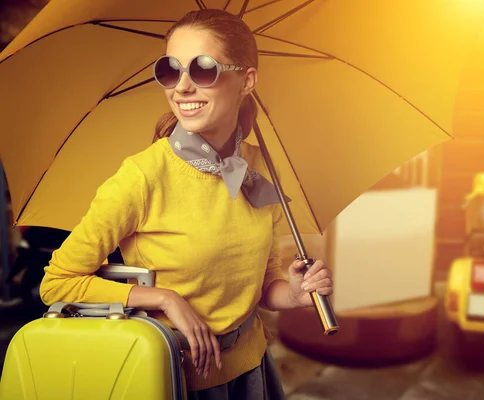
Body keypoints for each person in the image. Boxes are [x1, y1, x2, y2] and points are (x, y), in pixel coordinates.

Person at [39, 8, 334, 399]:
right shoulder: (142, 176)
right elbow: (57, 283)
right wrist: (165, 298)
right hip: (173, 377)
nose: (181, 87)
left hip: (252, 369)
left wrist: (294, 294)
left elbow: (262, 283)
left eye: (204, 69)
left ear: (246, 80)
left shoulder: (260, 170)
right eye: (169, 70)